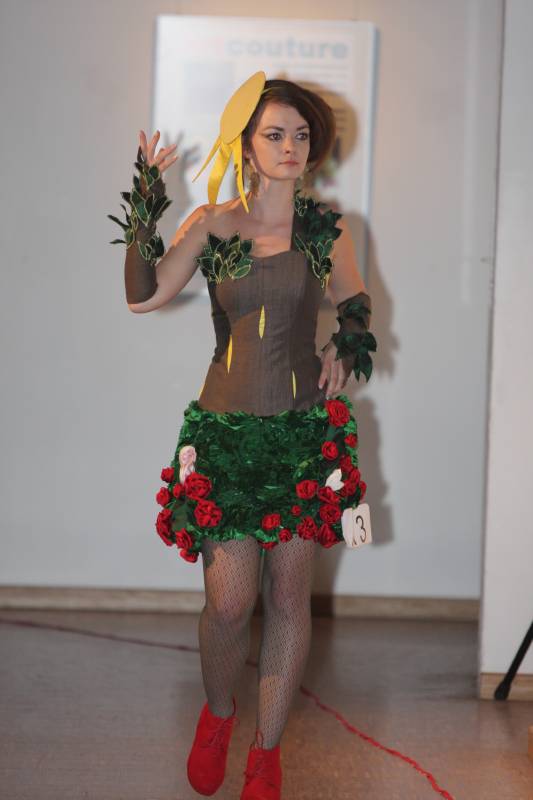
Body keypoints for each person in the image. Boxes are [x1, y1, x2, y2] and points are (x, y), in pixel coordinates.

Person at [108, 70, 376, 800]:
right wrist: (146, 199)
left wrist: (345, 342)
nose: (290, 146)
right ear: (246, 145)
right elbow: (142, 296)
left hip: (300, 436)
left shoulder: (326, 230)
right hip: (225, 437)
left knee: (288, 599)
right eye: (274, 134)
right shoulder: (212, 224)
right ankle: (219, 715)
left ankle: (266, 753)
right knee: (228, 604)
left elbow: (355, 303)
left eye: (300, 135)